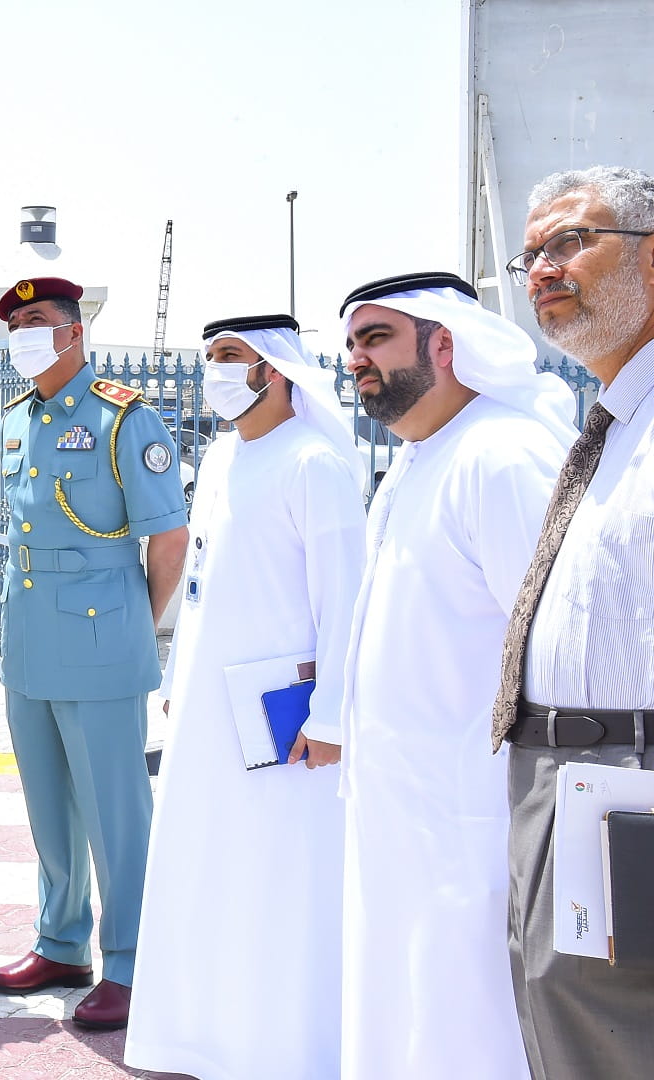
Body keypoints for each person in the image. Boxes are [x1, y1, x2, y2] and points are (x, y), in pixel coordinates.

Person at [337, 270, 575, 1080]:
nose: (355, 361)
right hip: (401, 811)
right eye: (351, 346)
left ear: (447, 344)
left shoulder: (501, 456)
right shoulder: (417, 461)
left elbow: (554, 648)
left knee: (470, 1028)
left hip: (472, 820)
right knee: (406, 1019)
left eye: (375, 340)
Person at [124, 314, 366, 1078]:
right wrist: (176, 685)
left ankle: (282, 1052)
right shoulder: (224, 453)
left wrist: (329, 718)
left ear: (276, 368)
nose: (217, 371)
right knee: (207, 874)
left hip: (283, 728)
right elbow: (199, 587)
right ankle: (207, 1039)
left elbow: (346, 602)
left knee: (276, 886)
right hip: (204, 711)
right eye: (211, 358)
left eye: (232, 357)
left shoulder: (314, 463)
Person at [0, 277, 188, 1030]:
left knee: (115, 811)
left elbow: (167, 538)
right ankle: (60, 942)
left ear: (72, 332)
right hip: (30, 637)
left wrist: (136, 622)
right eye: (15, 323)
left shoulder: (121, 418)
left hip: (101, 639)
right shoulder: (16, 420)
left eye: (36, 320)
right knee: (50, 807)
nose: (23, 332)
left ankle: (131, 963)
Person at [491, 165, 654, 1078]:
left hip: (635, 787)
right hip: (569, 785)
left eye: (570, 241)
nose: (544, 268)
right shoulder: (617, 417)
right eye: (531, 255)